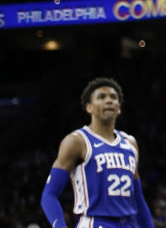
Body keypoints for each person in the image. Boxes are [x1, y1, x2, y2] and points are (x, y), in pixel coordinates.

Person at [40, 77, 155, 228]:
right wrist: (60, 225)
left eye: (113, 97)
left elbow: (138, 198)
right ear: (89, 107)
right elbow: (49, 195)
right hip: (96, 223)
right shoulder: (77, 141)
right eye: (101, 97)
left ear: (119, 108)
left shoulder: (130, 143)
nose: (109, 101)